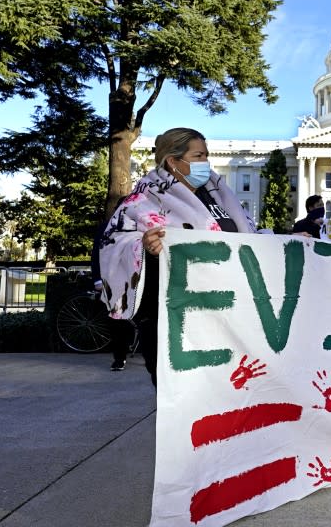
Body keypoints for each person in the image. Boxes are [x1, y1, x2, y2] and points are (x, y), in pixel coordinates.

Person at [98, 127, 258, 386]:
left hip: (226, 320)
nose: (206, 163)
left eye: (207, 156)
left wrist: (292, 241)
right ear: (173, 161)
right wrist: (145, 248)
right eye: (198, 156)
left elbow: (249, 236)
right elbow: (113, 246)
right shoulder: (142, 202)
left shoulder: (218, 196)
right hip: (173, 324)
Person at [91, 212, 134, 371]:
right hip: (115, 280)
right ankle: (119, 357)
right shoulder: (107, 227)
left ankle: (127, 349)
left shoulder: (141, 224)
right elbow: (97, 253)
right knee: (117, 320)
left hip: (136, 278)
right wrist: (97, 280)